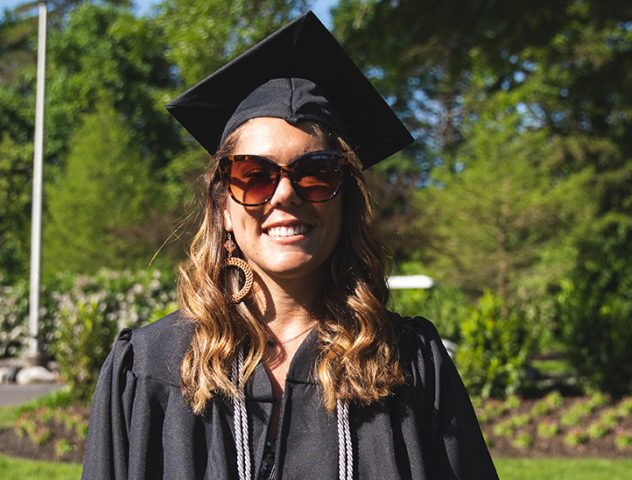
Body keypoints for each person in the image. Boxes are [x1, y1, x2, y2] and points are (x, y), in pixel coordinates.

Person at [81, 12, 498, 480]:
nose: (284, 195)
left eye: (315, 172)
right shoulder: (147, 368)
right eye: (253, 175)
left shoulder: (411, 365)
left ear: (347, 201)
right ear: (222, 205)